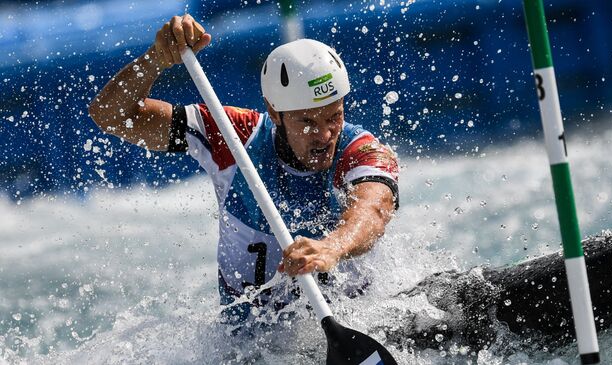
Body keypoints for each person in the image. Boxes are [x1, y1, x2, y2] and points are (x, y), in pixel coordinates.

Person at [88, 14, 399, 323]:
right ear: (274, 112)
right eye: (307, 122)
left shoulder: (364, 151)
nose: (325, 134)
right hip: (247, 345)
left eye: (334, 116)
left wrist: (332, 247)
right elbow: (110, 116)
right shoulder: (233, 137)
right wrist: (156, 58)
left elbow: (373, 210)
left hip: (357, 323)